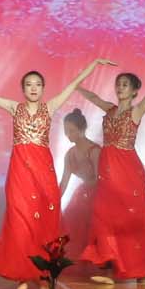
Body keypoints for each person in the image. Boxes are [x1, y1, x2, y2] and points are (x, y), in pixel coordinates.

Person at [0, 58, 110, 289]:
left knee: (44, 224)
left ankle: (42, 276)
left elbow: (74, 83)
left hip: (43, 174)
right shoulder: (14, 107)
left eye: (37, 84)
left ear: (43, 88)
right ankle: (22, 277)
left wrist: (94, 63)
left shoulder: (50, 107)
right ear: (23, 89)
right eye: (29, 84)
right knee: (20, 224)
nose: (33, 88)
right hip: (20, 174)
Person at [77, 67, 145, 286]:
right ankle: (107, 267)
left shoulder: (136, 111)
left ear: (134, 91)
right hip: (107, 171)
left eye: (125, 84)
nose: (120, 87)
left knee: (131, 220)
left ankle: (139, 269)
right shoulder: (110, 109)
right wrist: (76, 87)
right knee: (103, 218)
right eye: (118, 84)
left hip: (128, 172)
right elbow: (93, 97)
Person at [58, 108, 101, 271]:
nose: (68, 135)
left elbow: (101, 178)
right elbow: (64, 182)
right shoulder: (69, 154)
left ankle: (101, 263)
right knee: (74, 225)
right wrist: (53, 201)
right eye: (66, 131)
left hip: (99, 194)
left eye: (71, 131)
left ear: (82, 130)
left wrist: (90, 194)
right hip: (83, 194)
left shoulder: (94, 150)